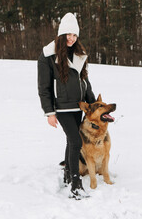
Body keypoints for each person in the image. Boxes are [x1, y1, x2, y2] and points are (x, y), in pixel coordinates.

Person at [37, 12, 96, 199]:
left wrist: (92, 105)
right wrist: (49, 112)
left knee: (71, 141)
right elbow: (44, 87)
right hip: (61, 108)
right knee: (76, 141)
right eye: (68, 35)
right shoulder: (48, 56)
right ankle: (76, 186)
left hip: (78, 107)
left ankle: (67, 175)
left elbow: (84, 82)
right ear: (61, 34)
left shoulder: (80, 54)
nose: (71, 39)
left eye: (75, 35)